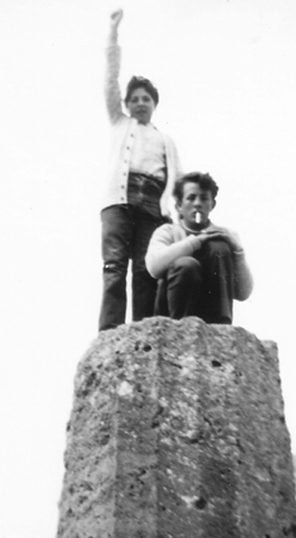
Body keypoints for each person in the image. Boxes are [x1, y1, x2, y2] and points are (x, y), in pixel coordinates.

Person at [99, 8, 182, 332]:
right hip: (118, 204)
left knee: (146, 270)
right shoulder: (121, 124)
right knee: (114, 267)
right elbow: (109, 81)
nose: (139, 103)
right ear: (126, 104)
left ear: (154, 103)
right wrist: (113, 33)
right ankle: (110, 332)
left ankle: (142, 331)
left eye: (146, 98)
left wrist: (169, 213)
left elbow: (176, 181)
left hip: (151, 207)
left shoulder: (165, 139)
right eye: (133, 99)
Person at [145, 172, 253, 324]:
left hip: (210, 313)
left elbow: (243, 293)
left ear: (212, 205)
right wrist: (195, 241)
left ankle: (221, 325)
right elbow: (153, 267)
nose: (197, 203)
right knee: (187, 265)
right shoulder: (168, 231)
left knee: (219, 248)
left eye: (204, 198)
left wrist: (237, 252)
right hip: (173, 314)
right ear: (179, 206)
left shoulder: (225, 235)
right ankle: (180, 330)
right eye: (191, 197)